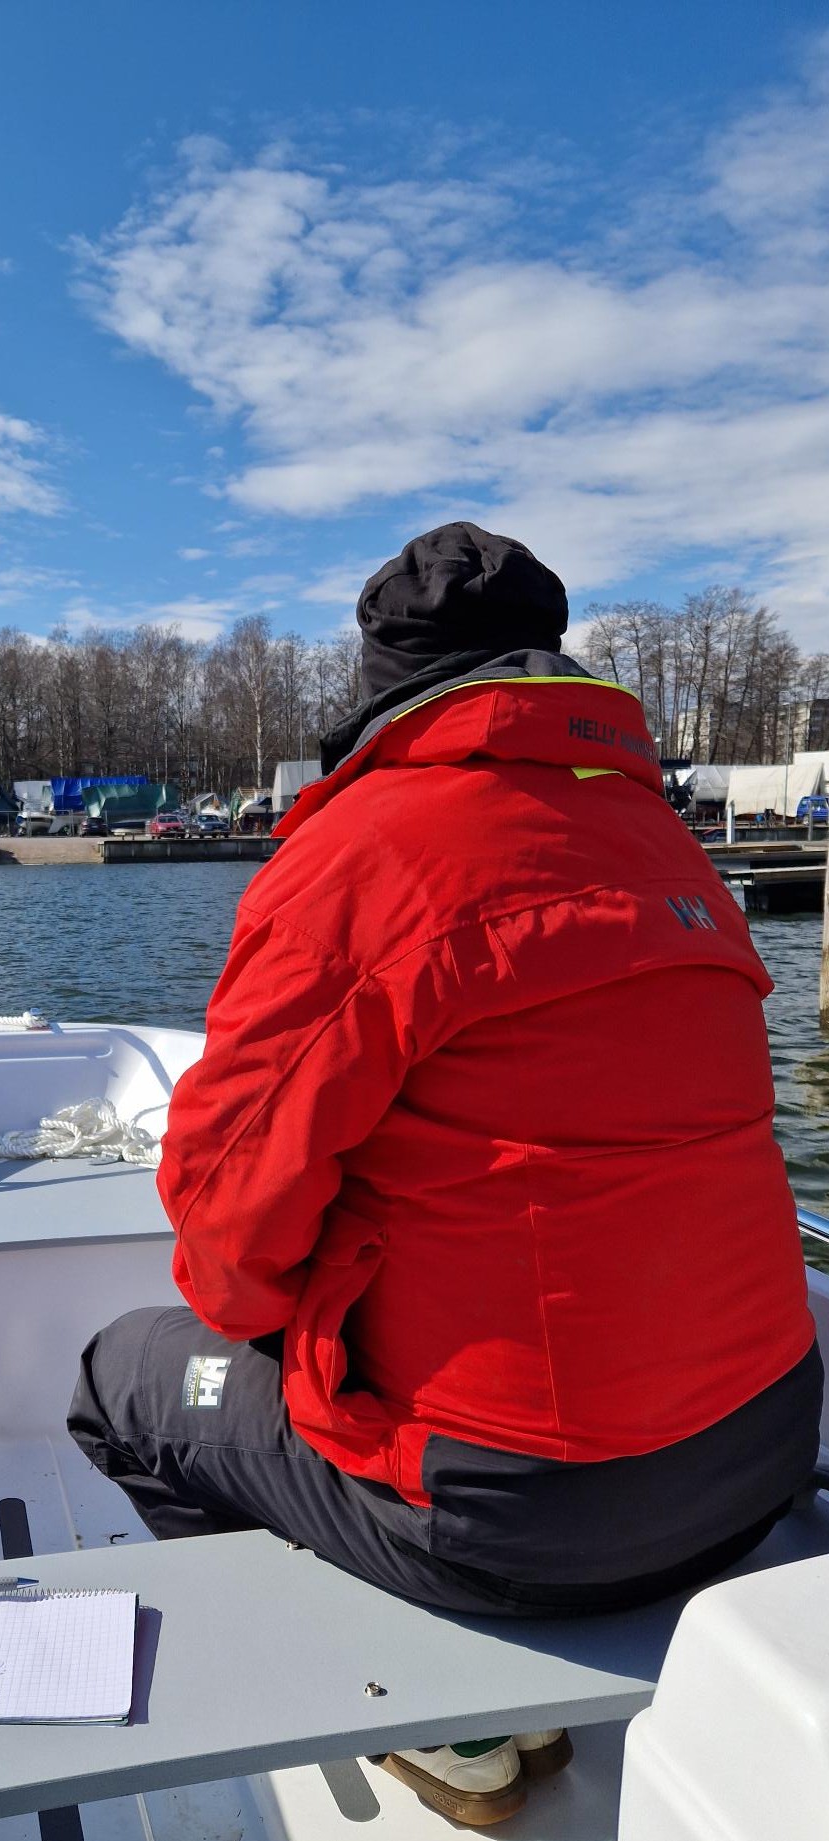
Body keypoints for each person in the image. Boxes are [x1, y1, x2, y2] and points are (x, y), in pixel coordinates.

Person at [68, 523, 821, 1826]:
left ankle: (445, 1724)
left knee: (122, 1380)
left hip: (524, 1521)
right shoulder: (669, 848)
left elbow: (230, 1260)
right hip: (761, 1457)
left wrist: (313, 1312)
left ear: (381, 685)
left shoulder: (355, 861)